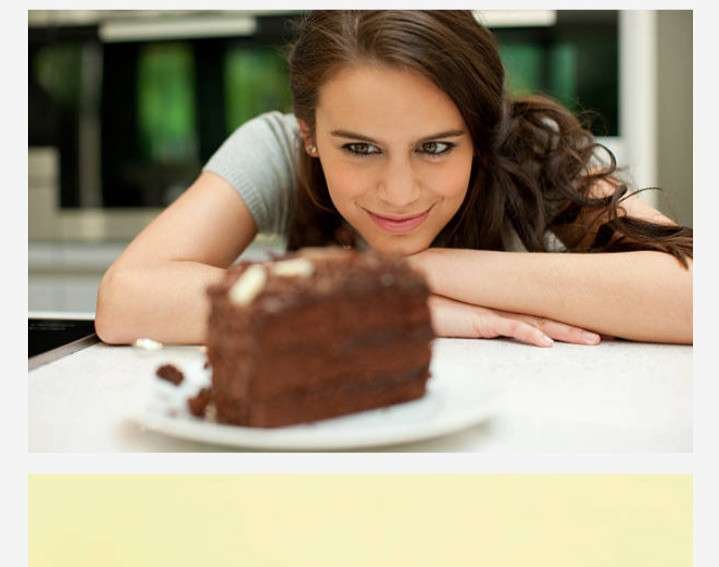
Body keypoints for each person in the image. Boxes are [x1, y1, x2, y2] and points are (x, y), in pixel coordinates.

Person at [95, 10, 693, 347]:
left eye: (435, 147)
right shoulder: (276, 148)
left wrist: (415, 270)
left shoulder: (533, 150)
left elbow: (696, 296)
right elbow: (127, 300)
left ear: (483, 131)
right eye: (359, 148)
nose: (400, 192)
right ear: (309, 133)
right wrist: (382, 304)